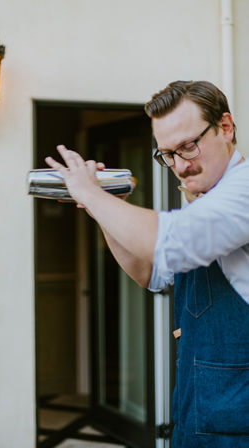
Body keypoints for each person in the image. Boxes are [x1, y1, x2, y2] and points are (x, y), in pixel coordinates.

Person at [45, 80, 249, 447]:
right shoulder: (205, 201)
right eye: (167, 154)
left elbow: (164, 244)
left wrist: (90, 191)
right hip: (197, 415)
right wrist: (98, 206)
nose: (180, 166)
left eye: (188, 146)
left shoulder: (244, 191)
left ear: (226, 127)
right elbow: (149, 273)